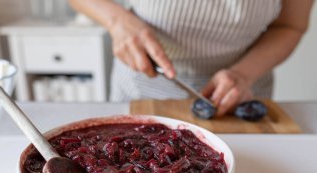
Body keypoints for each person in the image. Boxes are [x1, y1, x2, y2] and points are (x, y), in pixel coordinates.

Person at [69, 0, 314, 116]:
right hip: (142, 89)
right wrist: (117, 20)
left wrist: (242, 74)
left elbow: (290, 26)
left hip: (239, 95)